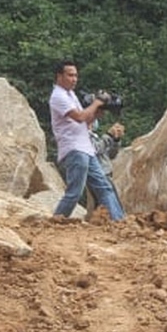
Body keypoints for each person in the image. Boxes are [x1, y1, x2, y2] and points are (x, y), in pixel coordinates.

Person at [49, 60, 125, 220]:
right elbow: (79, 117)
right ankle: (55, 221)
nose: (74, 79)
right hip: (74, 149)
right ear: (59, 76)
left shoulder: (71, 95)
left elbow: (87, 119)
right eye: (70, 75)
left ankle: (119, 222)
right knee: (74, 192)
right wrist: (97, 102)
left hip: (86, 149)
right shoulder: (58, 96)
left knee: (104, 187)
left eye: (76, 75)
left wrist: (99, 109)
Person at [86, 119, 125, 213]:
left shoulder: (95, 137)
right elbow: (96, 149)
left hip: (105, 173)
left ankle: (104, 223)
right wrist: (109, 135)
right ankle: (117, 220)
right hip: (99, 174)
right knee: (111, 202)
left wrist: (115, 139)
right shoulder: (84, 137)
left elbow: (111, 155)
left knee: (103, 203)